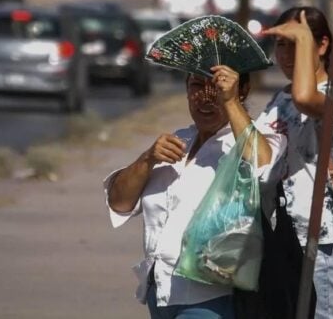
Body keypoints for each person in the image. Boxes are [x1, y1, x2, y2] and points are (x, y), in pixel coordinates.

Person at [104, 66, 284, 319]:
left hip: (212, 296)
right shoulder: (178, 141)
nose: (207, 96)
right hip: (161, 293)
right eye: (197, 86)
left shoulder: (258, 139)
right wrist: (147, 160)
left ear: (242, 90)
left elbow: (264, 166)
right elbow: (119, 202)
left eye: (218, 86)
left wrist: (230, 101)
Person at [256, 6, 333, 319]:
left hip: (320, 235)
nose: (286, 55)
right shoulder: (280, 98)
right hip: (278, 234)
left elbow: (306, 98)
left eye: (297, 44)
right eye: (282, 45)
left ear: (322, 45)